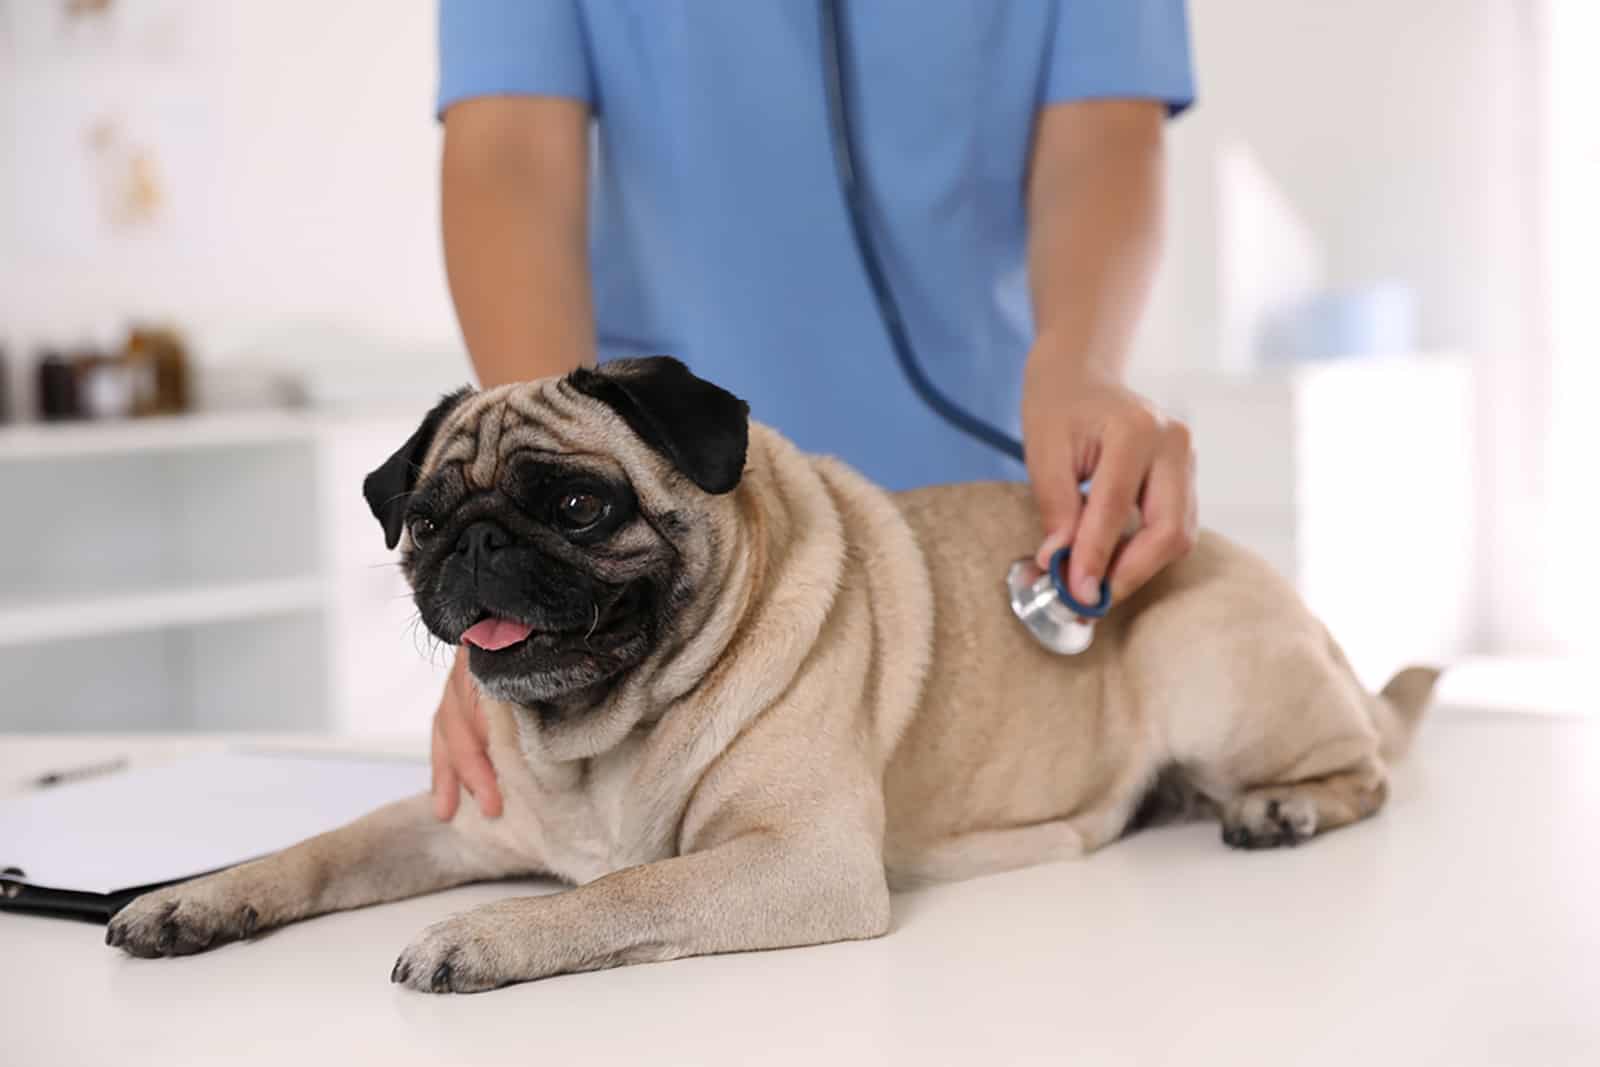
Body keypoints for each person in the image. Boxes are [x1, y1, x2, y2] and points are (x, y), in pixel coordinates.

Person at [428, 1, 1200, 820]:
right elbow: (508, 147)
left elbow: (1107, 125)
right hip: (668, 559)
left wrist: (1082, 363)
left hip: (981, 531)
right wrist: (539, 533)